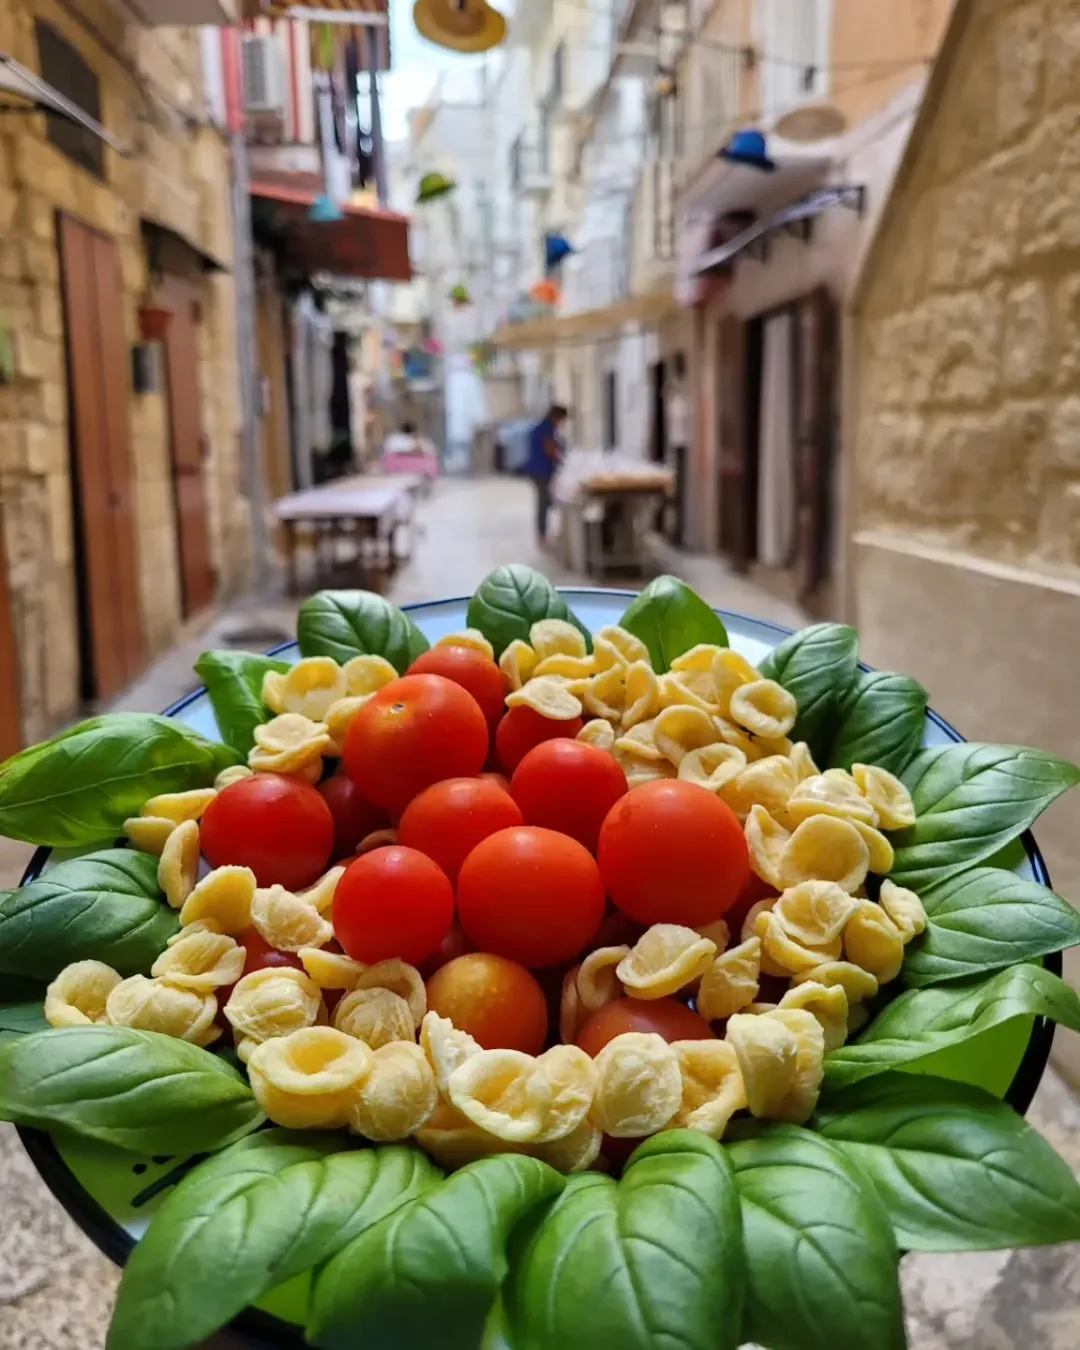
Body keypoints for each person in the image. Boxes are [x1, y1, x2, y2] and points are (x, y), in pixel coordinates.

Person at [524, 403, 568, 546]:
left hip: (540, 470)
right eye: (562, 419)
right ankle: (542, 535)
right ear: (557, 417)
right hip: (540, 471)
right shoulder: (546, 428)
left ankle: (546, 532)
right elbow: (550, 449)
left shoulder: (545, 427)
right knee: (544, 502)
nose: (562, 423)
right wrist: (563, 461)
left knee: (547, 501)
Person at [664, 355, 689, 545]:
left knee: (678, 492)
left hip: (681, 447)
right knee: (674, 492)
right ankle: (674, 531)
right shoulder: (675, 396)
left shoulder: (681, 397)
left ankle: (678, 532)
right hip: (675, 446)